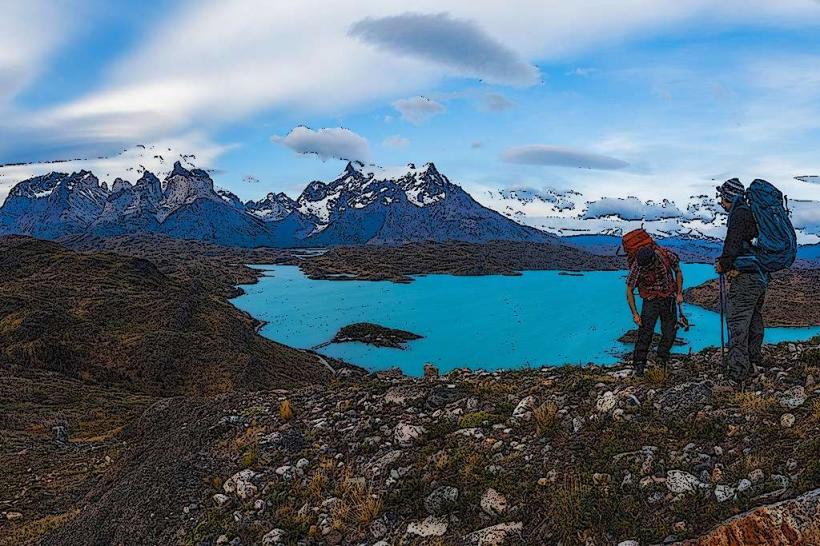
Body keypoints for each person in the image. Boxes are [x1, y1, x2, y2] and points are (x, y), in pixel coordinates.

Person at [715, 178, 767, 384]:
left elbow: (732, 244)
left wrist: (724, 264)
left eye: (722, 197)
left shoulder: (739, 214)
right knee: (754, 316)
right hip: (760, 276)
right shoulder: (753, 213)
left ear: (729, 196)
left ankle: (737, 371)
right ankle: (754, 357)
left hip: (746, 278)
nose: (720, 202)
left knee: (737, 321)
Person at [626, 244, 684, 375]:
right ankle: (639, 363)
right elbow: (629, 289)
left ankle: (662, 357)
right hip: (650, 300)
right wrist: (635, 314)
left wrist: (679, 293)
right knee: (645, 332)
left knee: (670, 331)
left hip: (668, 298)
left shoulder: (666, 256)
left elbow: (678, 271)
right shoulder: (638, 266)